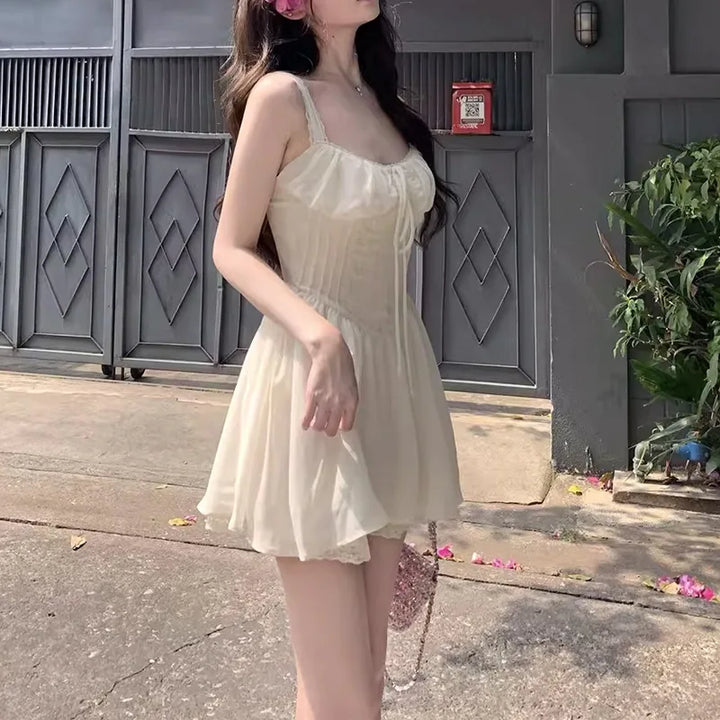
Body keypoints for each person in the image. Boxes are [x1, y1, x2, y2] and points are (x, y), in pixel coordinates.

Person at [196, 0, 463, 717]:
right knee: (348, 697)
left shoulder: (383, 104)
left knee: (355, 683)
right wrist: (321, 336)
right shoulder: (282, 99)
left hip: (395, 382)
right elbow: (231, 246)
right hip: (314, 390)